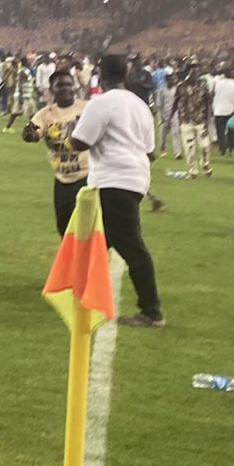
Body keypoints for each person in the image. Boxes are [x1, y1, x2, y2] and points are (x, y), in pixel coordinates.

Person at [67, 53, 164, 327]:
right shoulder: (140, 105)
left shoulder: (102, 102)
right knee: (99, 240)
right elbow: (149, 149)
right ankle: (82, 295)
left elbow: (80, 143)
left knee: (131, 245)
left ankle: (152, 311)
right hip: (134, 178)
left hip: (113, 179)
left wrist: (70, 134)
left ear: (101, 73)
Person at [22, 69, 91, 234]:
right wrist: (29, 134)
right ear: (52, 89)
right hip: (62, 179)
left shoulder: (87, 108)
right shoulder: (46, 114)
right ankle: (69, 259)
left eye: (68, 84)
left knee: (87, 227)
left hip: (87, 177)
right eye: (60, 85)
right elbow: (34, 132)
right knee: (65, 228)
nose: (65, 88)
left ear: (74, 87)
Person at [173, 63, 214, 177]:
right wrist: (172, 117)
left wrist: (207, 120)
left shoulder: (203, 85)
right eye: (193, 72)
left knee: (205, 146)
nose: (196, 74)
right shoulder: (181, 86)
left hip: (200, 120)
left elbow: (208, 102)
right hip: (186, 120)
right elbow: (176, 102)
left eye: (197, 72)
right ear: (188, 73)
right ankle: (192, 170)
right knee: (189, 148)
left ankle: (205, 164)